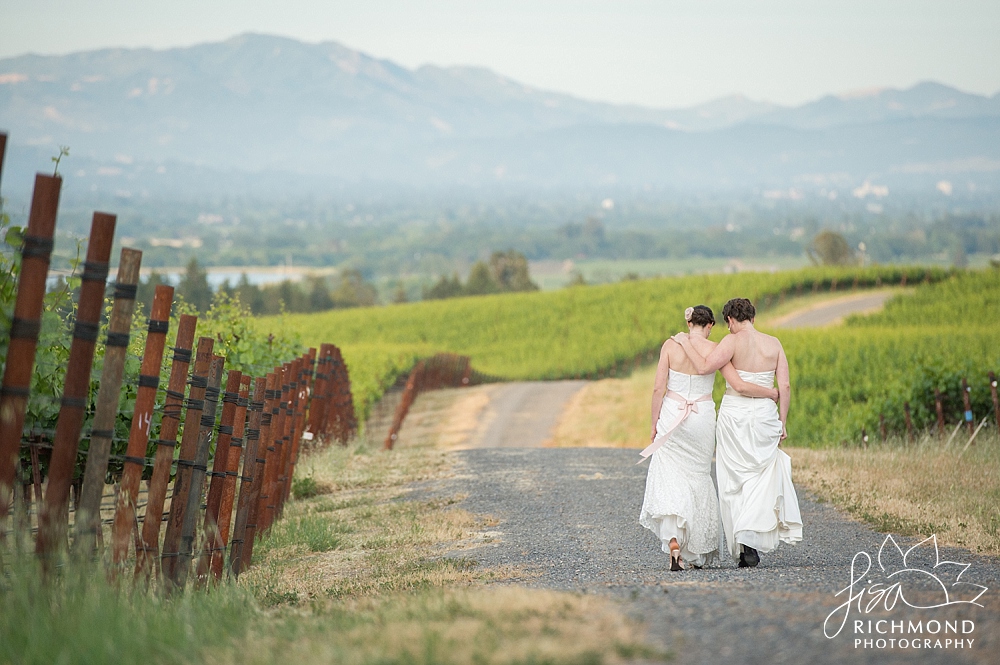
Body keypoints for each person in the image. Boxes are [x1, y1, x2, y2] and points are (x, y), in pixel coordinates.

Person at [639, 305, 778, 570]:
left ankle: (674, 541)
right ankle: (694, 552)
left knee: (670, 474)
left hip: (672, 414)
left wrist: (654, 423)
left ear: (689, 323)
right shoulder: (717, 349)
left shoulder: (670, 346)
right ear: (711, 325)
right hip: (702, 416)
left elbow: (659, 387)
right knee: (698, 476)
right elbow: (737, 383)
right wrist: (769, 393)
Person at [671, 297, 803, 568]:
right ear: (753, 319)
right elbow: (786, 387)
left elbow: (706, 367)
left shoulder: (730, 343)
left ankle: (743, 538)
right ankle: (750, 537)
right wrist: (782, 420)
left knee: (733, 479)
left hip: (735, 416)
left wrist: (684, 342)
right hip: (766, 416)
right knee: (760, 476)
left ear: (730, 320)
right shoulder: (774, 343)